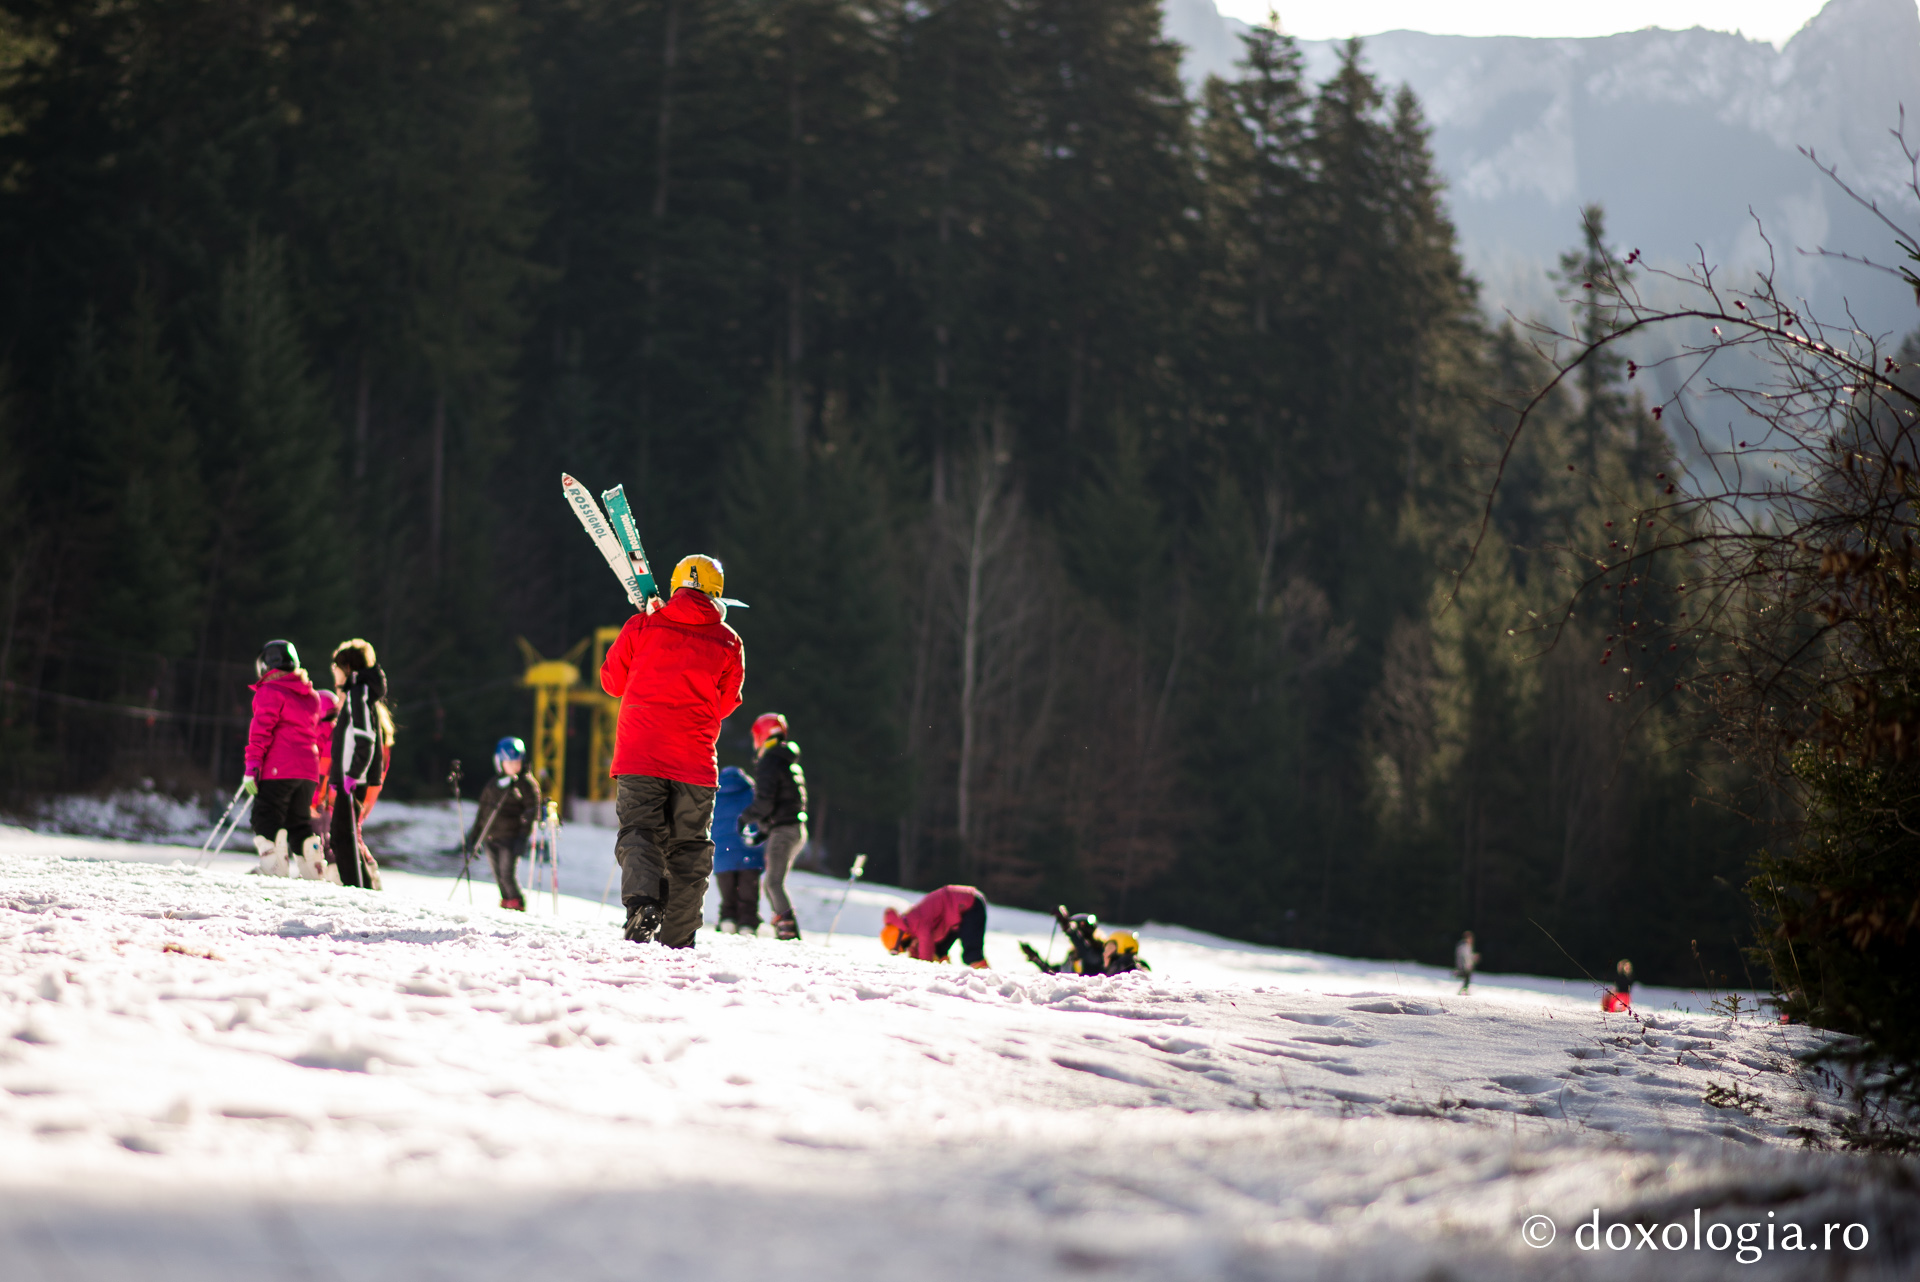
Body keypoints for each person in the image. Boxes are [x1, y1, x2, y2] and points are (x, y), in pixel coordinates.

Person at [600, 554, 745, 948]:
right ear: (718, 592)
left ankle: (644, 905)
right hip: (695, 764)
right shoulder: (729, 640)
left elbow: (612, 681)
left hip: (640, 754)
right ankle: (679, 941)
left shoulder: (643, 624)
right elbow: (727, 703)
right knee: (689, 850)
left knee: (640, 831)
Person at [243, 640, 333, 879]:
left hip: (279, 767)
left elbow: (261, 731)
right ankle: (313, 869)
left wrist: (252, 766)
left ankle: (273, 867)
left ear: (266, 665)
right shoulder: (310, 695)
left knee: (265, 815)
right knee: (298, 821)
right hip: (307, 771)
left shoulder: (269, 691)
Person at [325, 638, 393, 890]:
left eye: (336, 670)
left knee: (343, 837)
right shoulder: (359, 692)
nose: (335, 676)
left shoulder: (358, 693)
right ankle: (359, 888)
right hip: (352, 777)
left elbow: (365, 737)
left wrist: (353, 774)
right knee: (343, 835)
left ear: (348, 668)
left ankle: (359, 891)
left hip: (354, 778)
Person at [739, 711, 807, 940]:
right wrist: (764, 832)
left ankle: (788, 933)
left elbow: (765, 802)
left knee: (773, 883)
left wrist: (745, 818)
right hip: (793, 829)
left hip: (785, 831)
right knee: (772, 883)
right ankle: (785, 929)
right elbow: (785, 802)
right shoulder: (786, 761)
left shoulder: (770, 760)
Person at [466, 737, 544, 911]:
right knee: (498, 875)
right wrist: (474, 836)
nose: (514, 766)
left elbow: (532, 810)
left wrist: (523, 837)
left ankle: (516, 902)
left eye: (517, 761)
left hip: (510, 838)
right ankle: (506, 901)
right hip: (491, 837)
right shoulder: (493, 785)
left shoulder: (525, 784)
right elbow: (483, 812)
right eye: (510, 762)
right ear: (500, 762)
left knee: (507, 874)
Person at [881, 885, 990, 969]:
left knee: (971, 955)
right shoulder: (911, 923)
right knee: (938, 951)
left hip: (970, 904)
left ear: (902, 936)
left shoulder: (916, 921)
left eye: (904, 946)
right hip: (957, 913)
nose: (907, 948)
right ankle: (945, 977)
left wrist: (923, 968)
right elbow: (920, 947)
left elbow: (926, 946)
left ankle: (987, 981)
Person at [1019, 906, 1150, 975]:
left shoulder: (1101, 953)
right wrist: (1037, 960)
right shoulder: (1074, 957)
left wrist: (1068, 928)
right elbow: (1056, 974)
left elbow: (1088, 953)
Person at [710, 765, 762, 934]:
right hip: (749, 850)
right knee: (748, 894)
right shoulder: (752, 793)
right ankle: (747, 924)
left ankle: (727, 921)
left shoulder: (715, 794)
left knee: (728, 895)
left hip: (723, 854)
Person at [1454, 930, 1480, 995]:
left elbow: (1468, 956)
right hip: (1464, 966)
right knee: (1466, 979)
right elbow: (1465, 957)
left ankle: (1463, 991)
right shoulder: (1464, 946)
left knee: (1467, 980)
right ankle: (1463, 992)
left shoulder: (1467, 946)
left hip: (1466, 966)